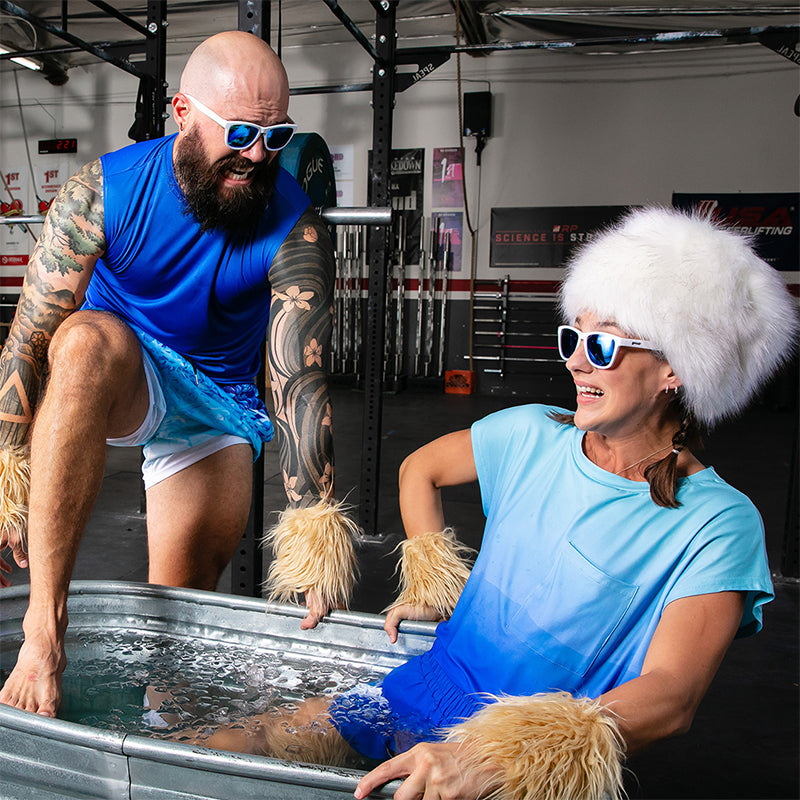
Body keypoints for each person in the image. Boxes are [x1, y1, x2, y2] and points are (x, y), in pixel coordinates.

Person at [176, 207, 798, 800]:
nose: (577, 362)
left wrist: (494, 756)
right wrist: (431, 581)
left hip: (521, 757)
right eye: (572, 337)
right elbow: (420, 469)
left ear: (675, 370)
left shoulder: (718, 523)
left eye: (603, 347)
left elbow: (672, 696)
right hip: (427, 685)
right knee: (234, 745)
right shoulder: (531, 434)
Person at [0, 31, 359, 719]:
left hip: (218, 405)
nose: (258, 155)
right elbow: (26, 343)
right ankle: (43, 632)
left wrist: (314, 529)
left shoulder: (296, 229)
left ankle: (159, 739)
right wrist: (6, 476)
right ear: (183, 111)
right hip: (120, 365)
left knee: (173, 641)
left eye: (276, 135)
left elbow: (296, 384)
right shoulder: (103, 193)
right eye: (243, 132)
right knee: (79, 343)